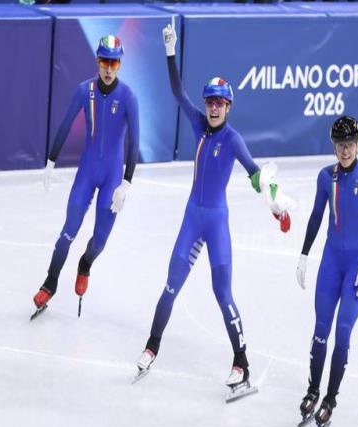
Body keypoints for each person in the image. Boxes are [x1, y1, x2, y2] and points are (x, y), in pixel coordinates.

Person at [135, 19, 294, 393]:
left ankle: (242, 362)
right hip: (193, 218)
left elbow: (257, 175)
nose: (213, 108)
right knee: (171, 286)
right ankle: (152, 346)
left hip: (216, 222)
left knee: (222, 294)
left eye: (219, 103)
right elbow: (177, 91)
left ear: (229, 107)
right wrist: (170, 52)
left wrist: (277, 208)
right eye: (209, 102)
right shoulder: (197, 124)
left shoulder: (233, 140)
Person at [32, 35, 139, 315]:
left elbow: (134, 143)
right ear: (97, 61)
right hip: (87, 173)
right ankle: (50, 283)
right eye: (105, 62)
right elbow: (65, 125)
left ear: (120, 65)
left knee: (100, 241)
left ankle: (85, 264)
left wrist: (126, 182)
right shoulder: (84, 90)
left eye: (114, 63)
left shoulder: (128, 97)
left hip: (112, 178)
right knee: (68, 231)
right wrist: (51, 161)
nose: (108, 69)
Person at [295, 116, 358, 427]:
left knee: (343, 333)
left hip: (355, 268)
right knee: (321, 328)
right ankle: (313, 390)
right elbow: (316, 217)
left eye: (349, 144)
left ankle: (330, 398)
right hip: (331, 263)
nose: (344, 150)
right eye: (339, 145)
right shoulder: (326, 177)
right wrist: (304, 254)